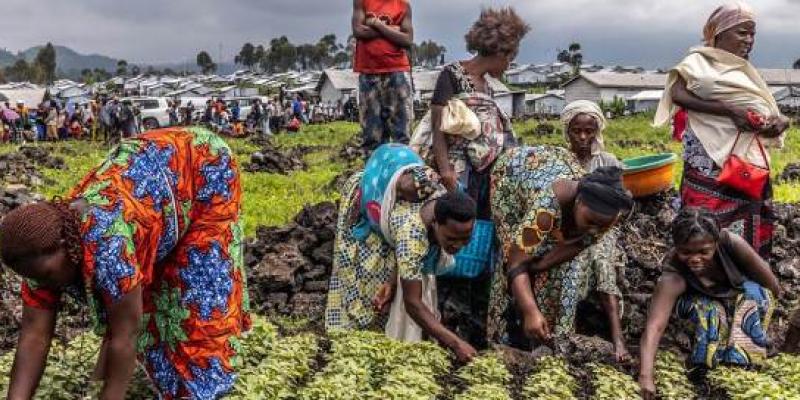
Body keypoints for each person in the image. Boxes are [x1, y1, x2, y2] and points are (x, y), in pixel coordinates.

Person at [0, 127, 251, 399]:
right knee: (132, 295)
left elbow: (125, 334)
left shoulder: (108, 246)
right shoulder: (35, 252)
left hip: (202, 168)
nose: (44, 285)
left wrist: (110, 393)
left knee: (198, 301)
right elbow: (34, 337)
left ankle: (203, 388)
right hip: (148, 178)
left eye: (46, 276)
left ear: (64, 246)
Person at [654, 2, 791, 258]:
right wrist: (729, 111)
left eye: (753, 34)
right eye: (742, 33)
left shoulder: (745, 71)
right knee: (702, 224)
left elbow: (765, 109)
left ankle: (747, 280)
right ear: (718, 32)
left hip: (746, 163)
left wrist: (779, 122)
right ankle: (699, 282)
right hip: (707, 161)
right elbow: (678, 94)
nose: (749, 40)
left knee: (748, 221)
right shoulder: (697, 61)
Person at [325, 144, 478, 362]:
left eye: (466, 239)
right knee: (366, 281)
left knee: (393, 280)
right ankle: (354, 347)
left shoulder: (447, 200)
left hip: (392, 189)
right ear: (435, 224)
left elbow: (408, 258)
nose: (458, 246)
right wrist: (455, 343)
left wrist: (393, 280)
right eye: (451, 239)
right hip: (370, 193)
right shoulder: (411, 235)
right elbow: (413, 303)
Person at [487, 146, 633, 357]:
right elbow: (515, 263)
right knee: (513, 255)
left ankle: (556, 341)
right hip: (512, 177)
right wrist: (530, 310)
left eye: (601, 226)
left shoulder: (609, 213)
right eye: (590, 222)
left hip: (556, 166)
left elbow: (579, 244)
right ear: (578, 201)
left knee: (561, 269)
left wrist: (537, 266)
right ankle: (503, 339)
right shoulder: (546, 208)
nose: (594, 229)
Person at [638, 208, 781, 399]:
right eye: (685, 252)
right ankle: (703, 371)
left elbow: (772, 286)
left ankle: (743, 367)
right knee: (710, 309)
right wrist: (645, 375)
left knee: (755, 296)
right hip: (699, 309)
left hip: (737, 298)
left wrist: (749, 322)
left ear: (716, 243)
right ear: (676, 247)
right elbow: (654, 326)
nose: (695, 259)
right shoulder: (673, 273)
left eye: (704, 252)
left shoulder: (731, 243)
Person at [415, 6, 528, 215]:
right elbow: (438, 126)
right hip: (456, 168)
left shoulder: (487, 86)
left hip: (483, 172)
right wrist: (446, 170)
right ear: (499, 52)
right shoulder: (452, 74)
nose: (508, 65)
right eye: (509, 58)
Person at [557, 100, 629, 361]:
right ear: (568, 130)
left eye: (589, 130)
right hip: (567, 228)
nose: (584, 137)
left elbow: (620, 206)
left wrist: (597, 229)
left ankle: (617, 338)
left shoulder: (607, 161)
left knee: (599, 258)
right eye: (577, 131)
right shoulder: (560, 160)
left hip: (602, 229)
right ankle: (563, 330)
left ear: (597, 130)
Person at [352, 0, 414, 153]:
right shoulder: (361, 2)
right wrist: (392, 30)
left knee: (402, 133)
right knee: (371, 134)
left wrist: (377, 25)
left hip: (397, 72)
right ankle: (375, 172)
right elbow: (358, 31)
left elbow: (407, 40)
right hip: (368, 73)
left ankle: (402, 172)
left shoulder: (403, 5)